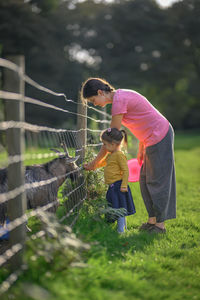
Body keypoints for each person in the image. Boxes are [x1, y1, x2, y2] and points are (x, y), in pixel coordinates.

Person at [81, 77, 176, 234]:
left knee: (157, 181)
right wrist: (142, 144)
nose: (94, 104)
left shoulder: (120, 100)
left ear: (100, 92)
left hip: (160, 135)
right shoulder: (120, 98)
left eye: (93, 100)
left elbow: (110, 140)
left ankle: (160, 226)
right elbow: (144, 119)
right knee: (145, 180)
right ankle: (152, 221)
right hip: (149, 138)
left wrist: (94, 163)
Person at [90, 127, 136, 233]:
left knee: (119, 209)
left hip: (119, 186)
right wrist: (93, 165)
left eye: (105, 144)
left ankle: (121, 230)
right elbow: (103, 163)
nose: (104, 147)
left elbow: (125, 170)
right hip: (113, 187)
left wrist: (124, 185)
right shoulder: (111, 155)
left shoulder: (119, 155)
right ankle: (123, 228)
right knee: (118, 207)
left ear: (113, 144)